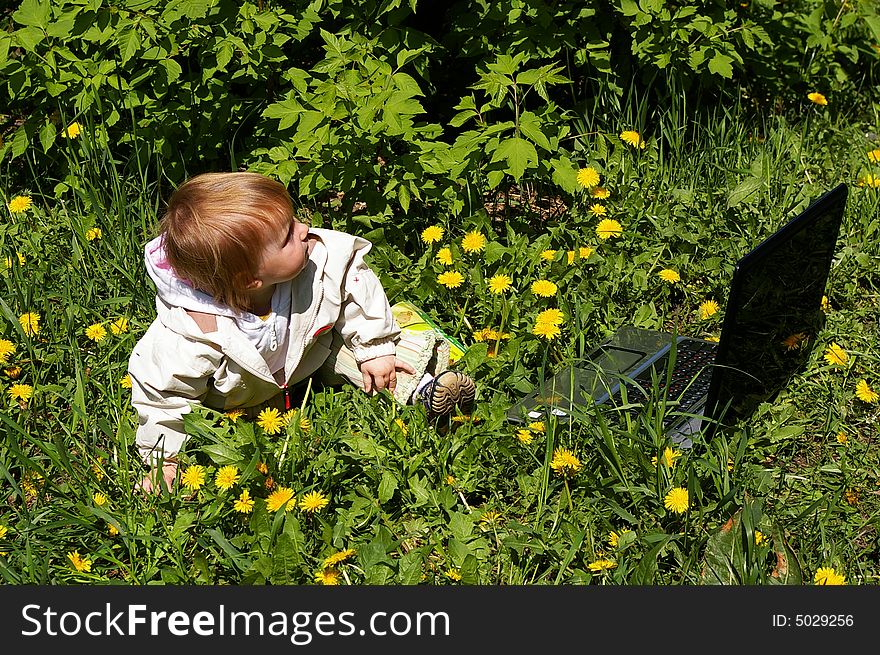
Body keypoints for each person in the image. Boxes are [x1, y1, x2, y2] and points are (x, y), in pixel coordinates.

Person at [128, 172, 476, 493]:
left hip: (311, 352)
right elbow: (163, 396)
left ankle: (426, 389)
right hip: (236, 401)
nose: (305, 227)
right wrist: (164, 460)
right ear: (251, 281)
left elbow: (352, 276)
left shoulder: (317, 255)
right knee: (227, 435)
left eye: (294, 219)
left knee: (380, 356)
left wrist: (375, 346)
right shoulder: (188, 336)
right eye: (287, 235)